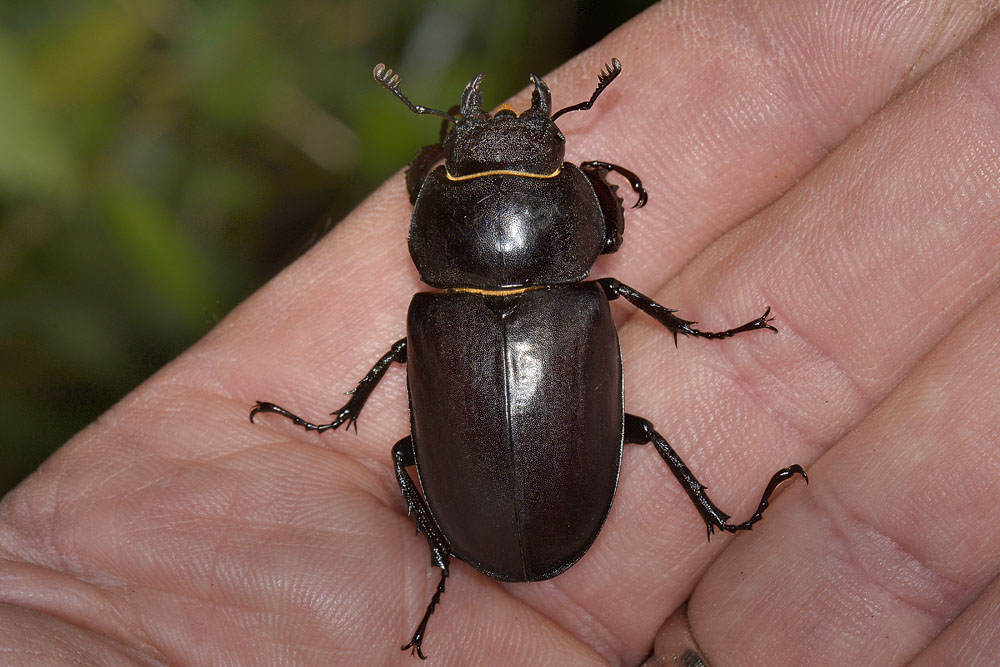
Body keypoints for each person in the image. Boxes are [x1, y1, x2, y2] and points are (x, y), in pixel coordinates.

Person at [2, 2, 999, 663]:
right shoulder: (575, 293)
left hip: (490, 510)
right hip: (517, 497)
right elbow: (606, 242)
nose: (506, 133)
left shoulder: (430, 314)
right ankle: (696, 516)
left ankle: (452, 552)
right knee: (634, 429)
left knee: (404, 444)